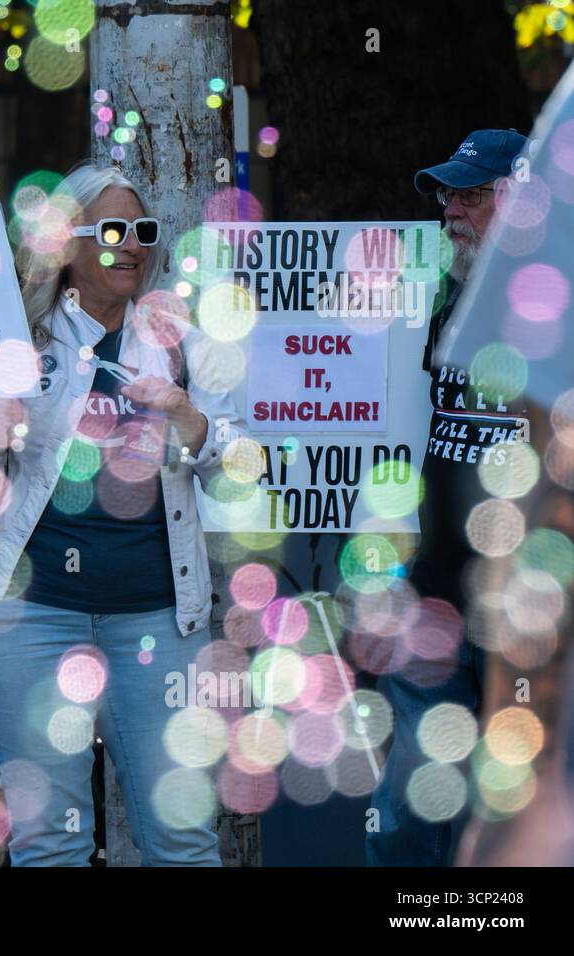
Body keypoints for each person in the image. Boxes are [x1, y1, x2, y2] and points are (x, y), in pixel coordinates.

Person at [0, 161, 246, 866]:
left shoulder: (185, 342)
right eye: (114, 230)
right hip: (24, 621)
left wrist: (193, 424)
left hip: (158, 624)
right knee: (49, 840)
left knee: (183, 837)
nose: (135, 246)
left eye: (144, 232)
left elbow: (243, 467)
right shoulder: (13, 345)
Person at [366, 129, 530, 866]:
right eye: (446, 195)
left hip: (531, 608)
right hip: (434, 602)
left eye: (470, 195)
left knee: (518, 809)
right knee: (410, 808)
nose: (449, 211)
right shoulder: (436, 292)